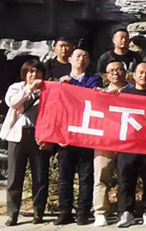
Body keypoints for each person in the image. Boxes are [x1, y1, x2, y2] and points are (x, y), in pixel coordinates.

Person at [1, 59, 51, 226]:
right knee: (14, 176)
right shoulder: (16, 88)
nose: (33, 75)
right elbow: (14, 103)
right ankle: (12, 213)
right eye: (30, 72)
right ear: (25, 74)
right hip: (17, 135)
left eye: (37, 71)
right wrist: (30, 88)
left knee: (40, 175)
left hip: (39, 135)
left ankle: (38, 212)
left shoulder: (47, 90)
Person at [116, 62, 146, 228]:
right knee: (125, 180)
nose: (144, 75)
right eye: (141, 72)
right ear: (134, 75)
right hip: (127, 145)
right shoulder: (124, 94)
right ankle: (126, 212)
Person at [56, 48, 101, 225]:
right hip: (66, 136)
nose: (81, 59)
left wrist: (71, 86)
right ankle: (64, 211)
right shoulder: (60, 82)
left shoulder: (94, 79)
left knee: (86, 177)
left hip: (86, 135)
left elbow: (89, 96)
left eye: (85, 56)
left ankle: (83, 212)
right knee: (64, 178)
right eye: (78, 56)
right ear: (70, 59)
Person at [92, 60, 132, 227]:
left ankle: (125, 211)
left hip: (129, 140)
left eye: (119, 69)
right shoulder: (100, 93)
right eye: (111, 71)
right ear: (106, 75)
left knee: (127, 177)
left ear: (125, 72)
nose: (115, 73)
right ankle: (100, 211)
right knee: (101, 175)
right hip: (105, 140)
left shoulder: (134, 91)